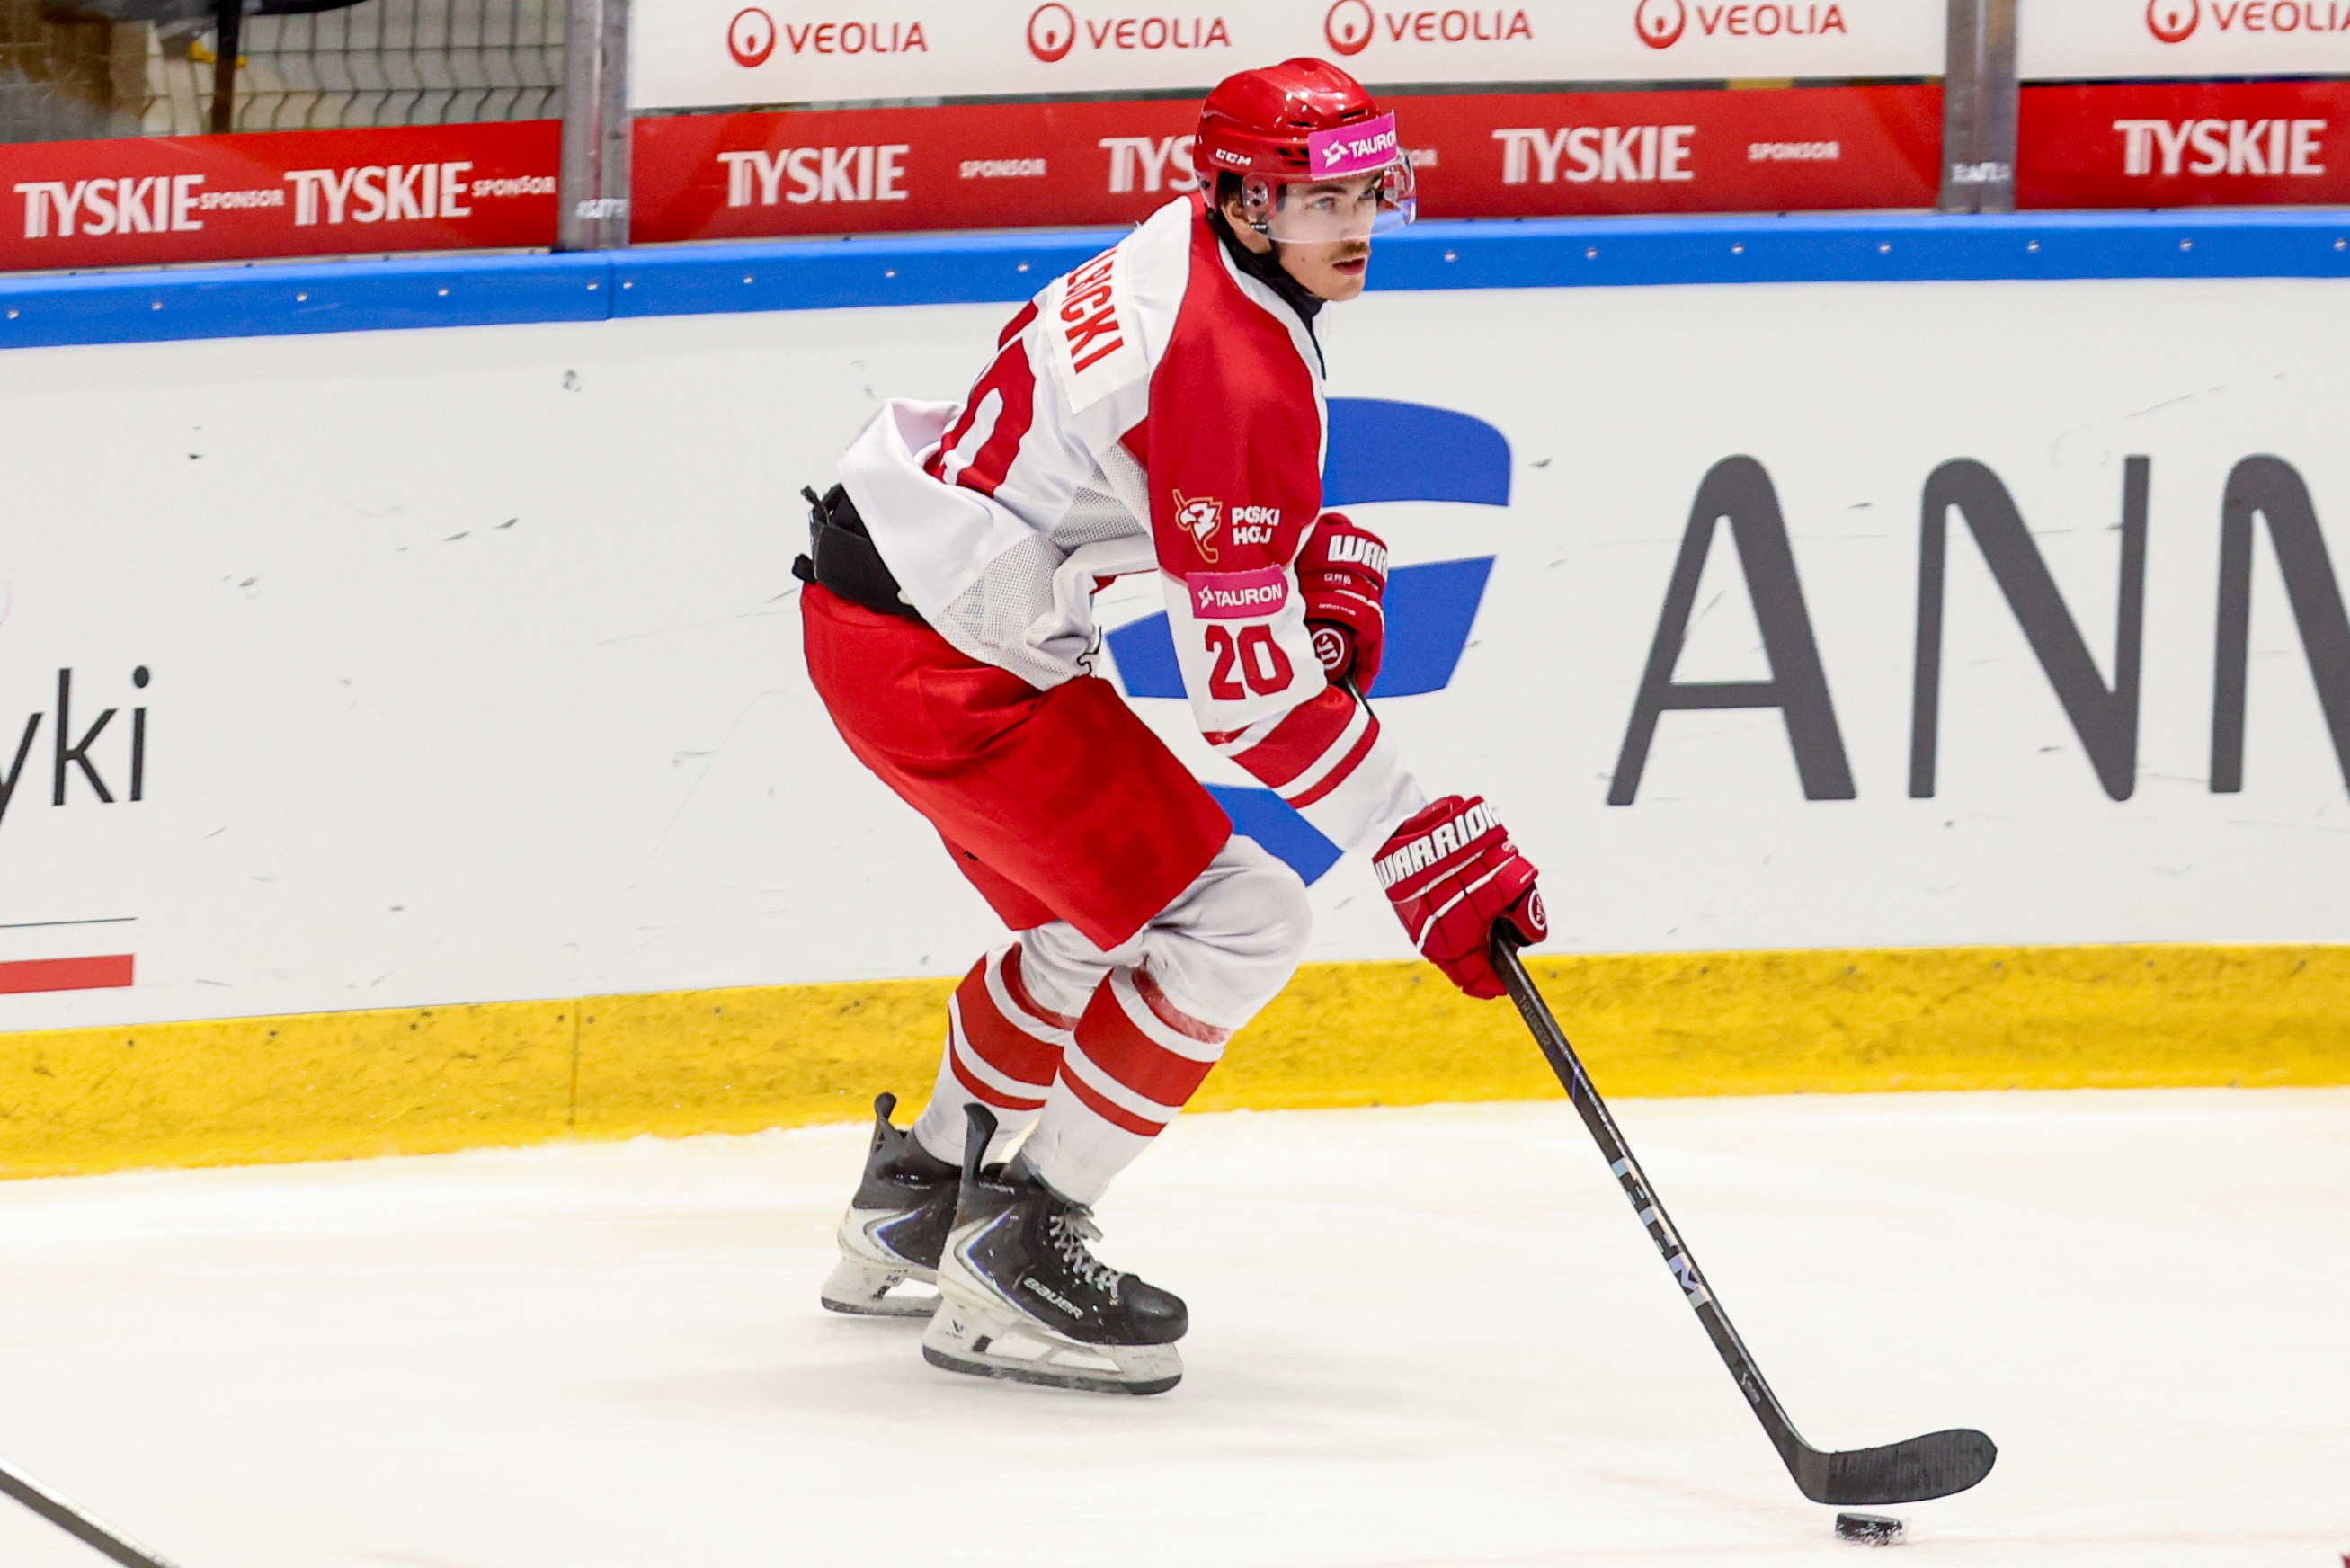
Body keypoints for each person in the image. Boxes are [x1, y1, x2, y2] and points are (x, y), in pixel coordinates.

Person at [796, 57, 1545, 1395]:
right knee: (1243, 919)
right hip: (948, 664)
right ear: (1247, 201)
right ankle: (1018, 1246)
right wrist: (1410, 828)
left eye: (1370, 190)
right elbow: (1246, 697)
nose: (1357, 225)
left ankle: (919, 1201)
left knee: (1094, 919)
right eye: (1320, 199)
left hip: (897, 617)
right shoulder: (1237, 363)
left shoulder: (1184, 248)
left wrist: (1293, 556)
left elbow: (1150, 467)